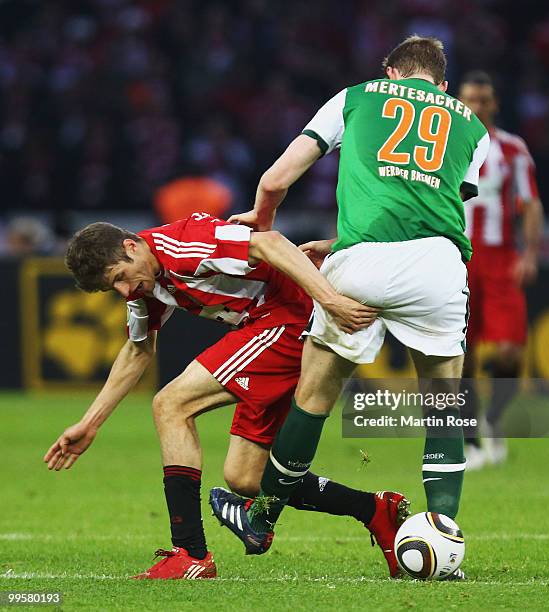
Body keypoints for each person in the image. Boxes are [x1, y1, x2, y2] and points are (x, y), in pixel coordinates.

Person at [209, 36, 489, 576]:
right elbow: (432, 206)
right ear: (444, 84)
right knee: (443, 400)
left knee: (314, 396)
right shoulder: (473, 127)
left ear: (389, 71)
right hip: (437, 263)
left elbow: (275, 179)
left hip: (360, 265)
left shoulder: (357, 97)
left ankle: (262, 517)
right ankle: (444, 535)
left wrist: (265, 227)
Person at [43, 212, 409, 580]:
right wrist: (90, 424)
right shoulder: (146, 281)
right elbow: (138, 350)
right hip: (272, 324)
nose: (124, 291)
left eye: (120, 278)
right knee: (246, 477)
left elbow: (270, 242)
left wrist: (331, 301)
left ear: (131, 246)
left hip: (288, 317)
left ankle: (190, 553)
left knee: (171, 404)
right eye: (114, 288)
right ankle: (374, 510)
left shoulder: (183, 246)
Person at [457, 71, 544, 470]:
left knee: (510, 351)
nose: (477, 107)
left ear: (495, 104)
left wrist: (529, 254)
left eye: (484, 100)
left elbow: (531, 203)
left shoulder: (512, 149)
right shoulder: (445, 145)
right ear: (459, 102)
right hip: (458, 257)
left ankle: (492, 420)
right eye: (470, 99)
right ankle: (471, 437)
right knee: (463, 354)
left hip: (501, 258)